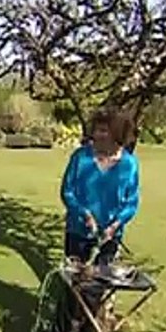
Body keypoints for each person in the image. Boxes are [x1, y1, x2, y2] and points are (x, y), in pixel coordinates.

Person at [60, 106, 141, 266]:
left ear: (117, 133)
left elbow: (131, 202)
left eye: (103, 130)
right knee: (76, 276)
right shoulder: (80, 157)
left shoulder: (129, 164)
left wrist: (115, 226)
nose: (96, 135)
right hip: (78, 231)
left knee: (102, 277)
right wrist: (85, 215)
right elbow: (67, 192)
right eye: (96, 130)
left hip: (110, 235)